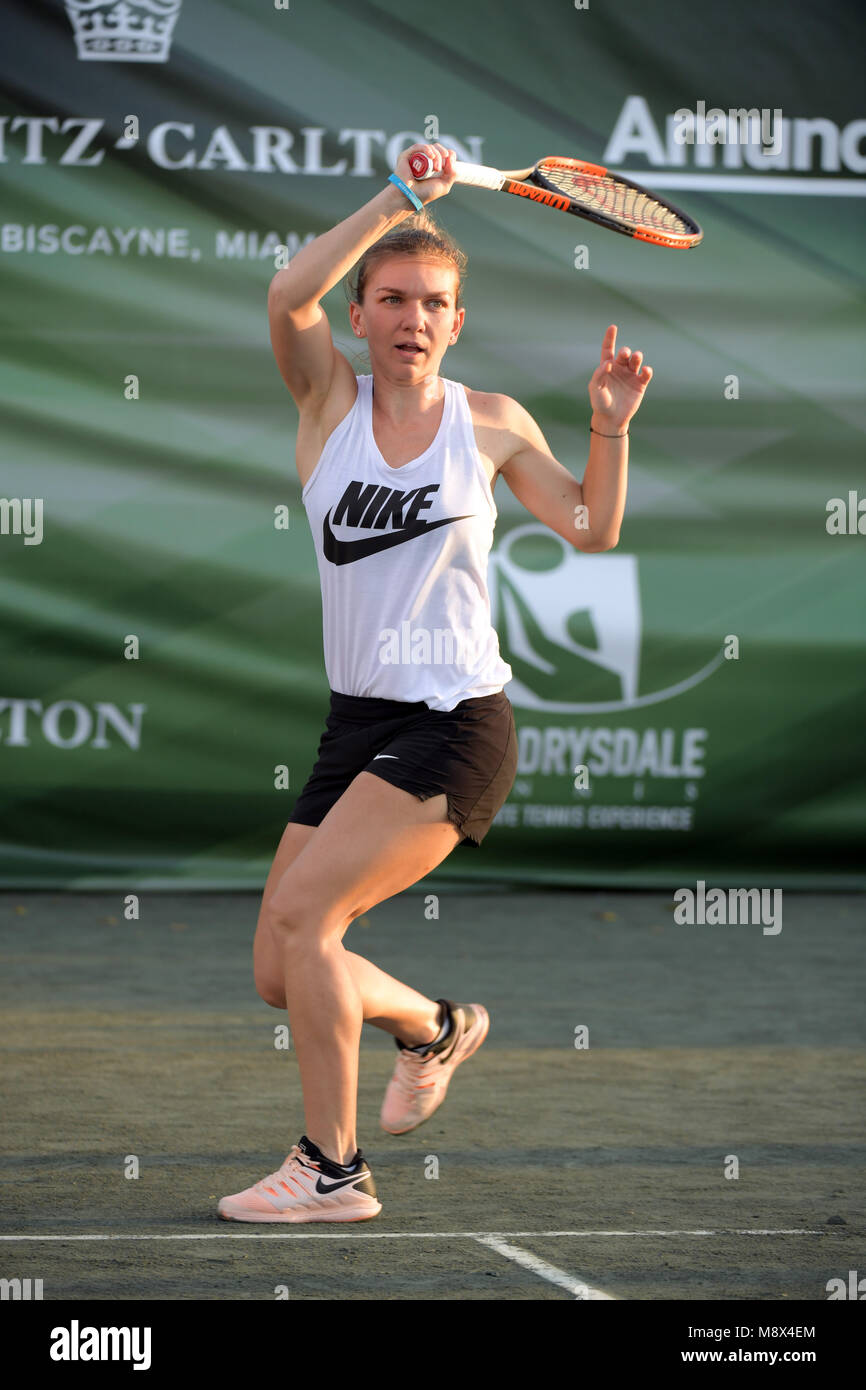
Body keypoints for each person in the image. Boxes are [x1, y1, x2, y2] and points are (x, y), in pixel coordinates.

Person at [217, 142, 653, 1224]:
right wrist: (400, 198)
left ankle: (331, 1170)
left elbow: (591, 528)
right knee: (281, 964)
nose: (413, 317)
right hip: (356, 720)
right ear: (359, 313)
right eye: (393, 298)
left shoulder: (491, 421)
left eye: (436, 303)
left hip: (456, 720)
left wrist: (606, 423)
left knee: (310, 923)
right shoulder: (323, 401)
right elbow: (285, 291)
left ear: (458, 323)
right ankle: (434, 1023)